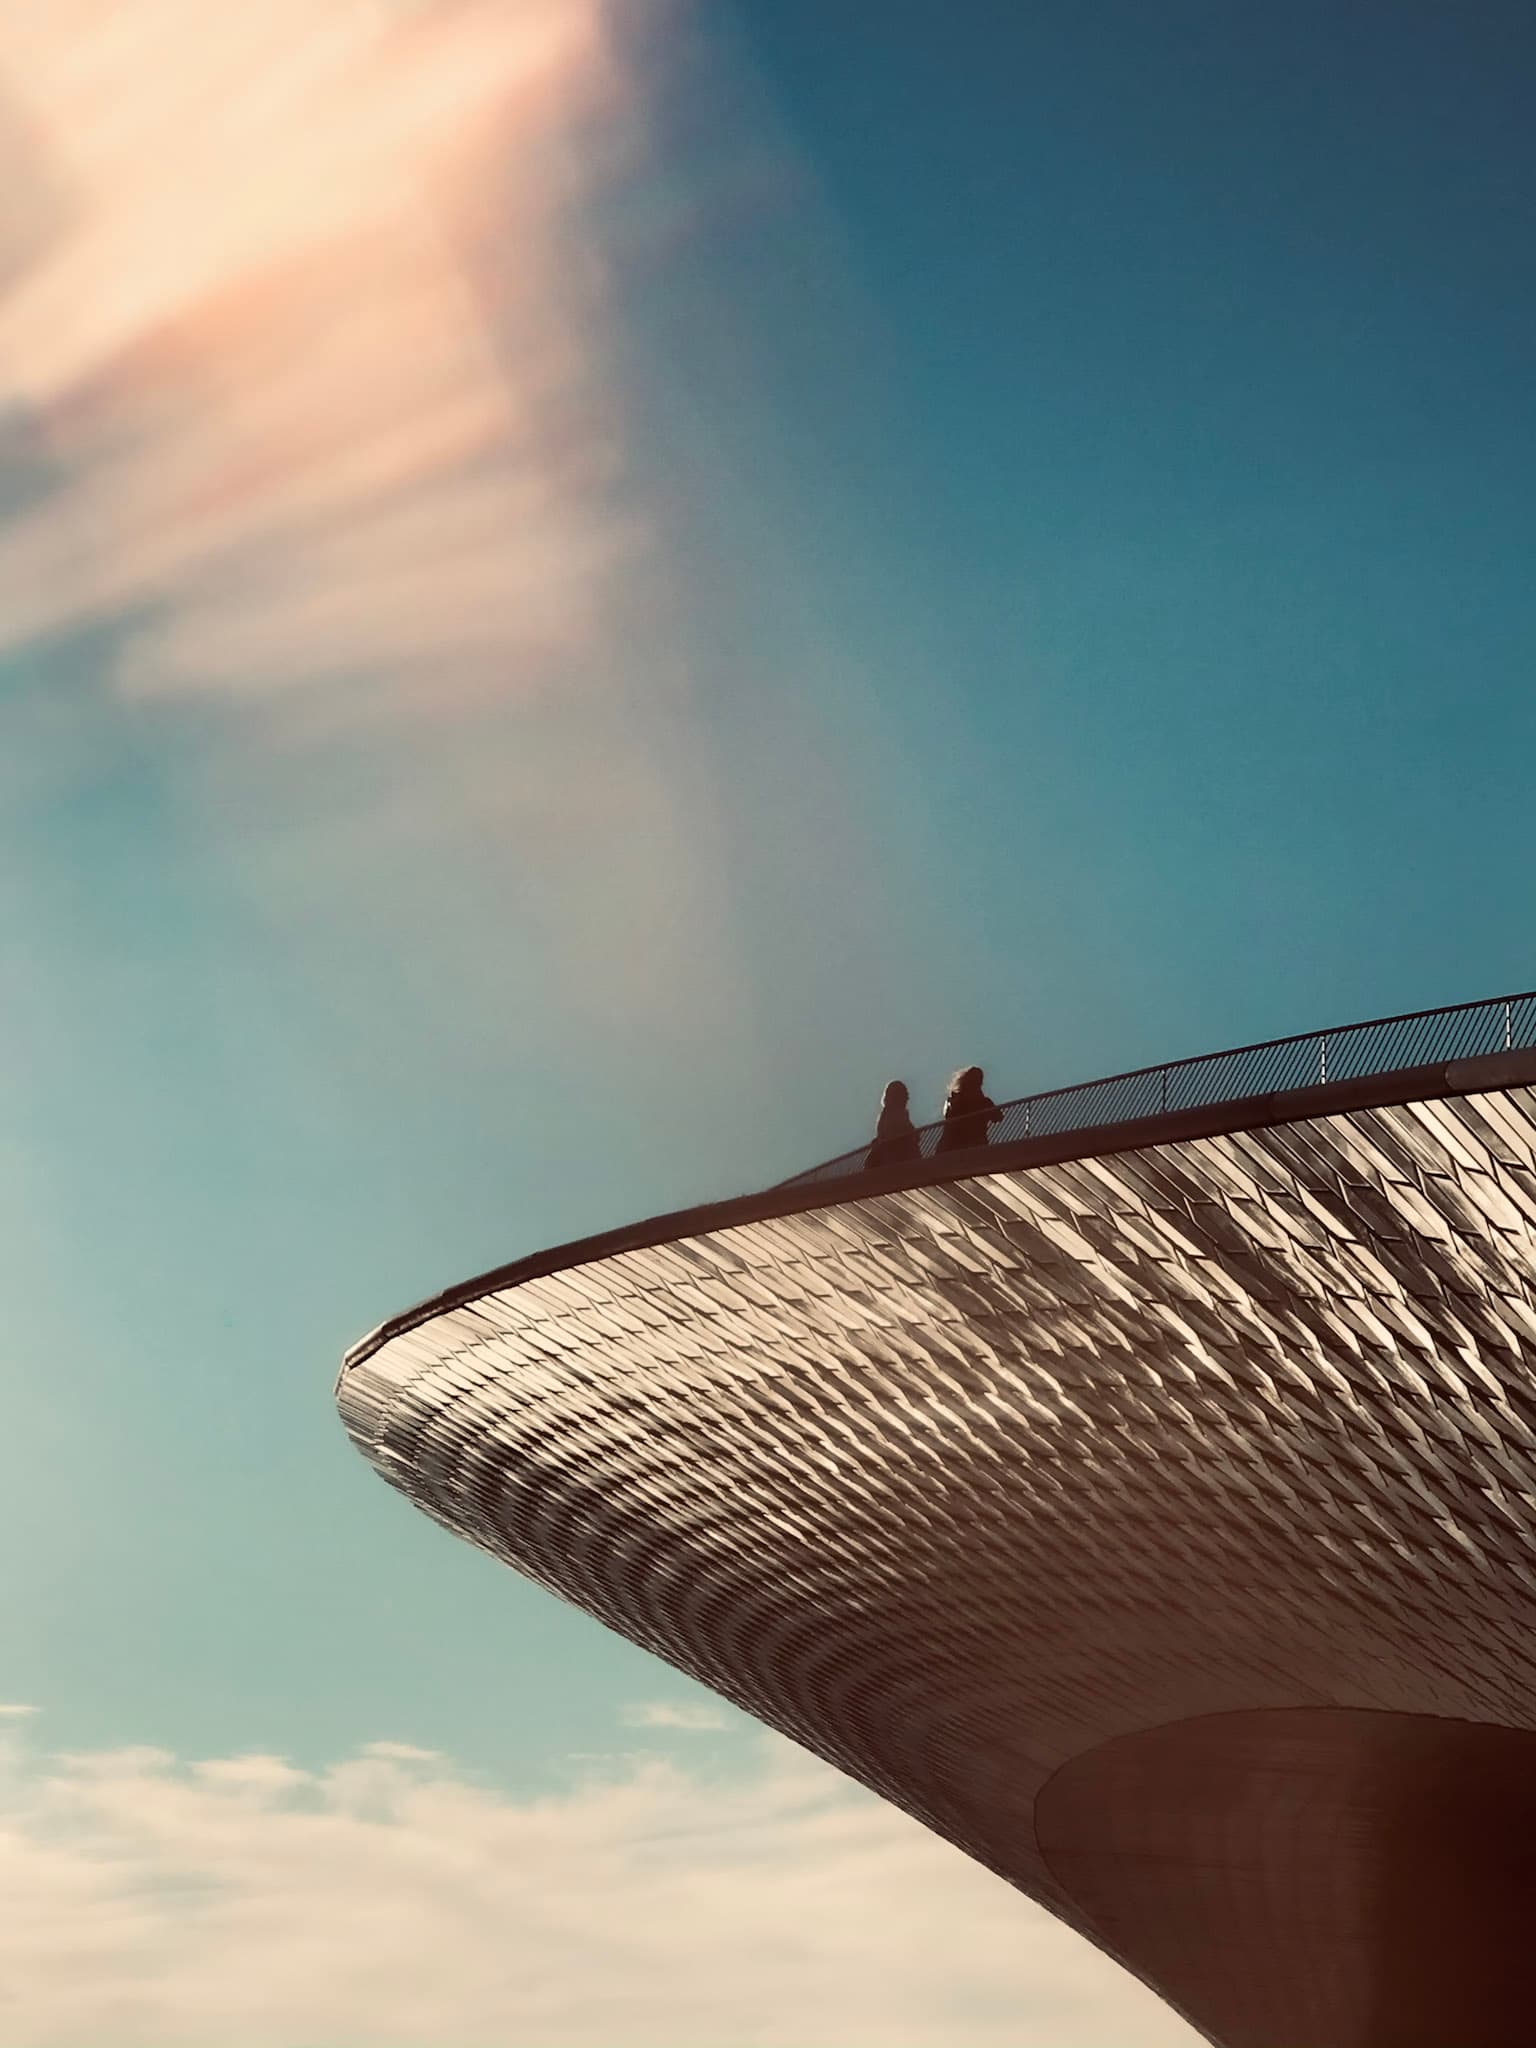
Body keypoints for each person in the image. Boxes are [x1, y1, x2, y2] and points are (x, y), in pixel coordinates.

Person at [936, 1065, 1003, 1154]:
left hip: (951, 1145)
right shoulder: (981, 1101)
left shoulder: (955, 1099)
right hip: (972, 1143)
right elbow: (998, 1117)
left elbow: (998, 1117)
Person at [865, 1079, 922, 1172]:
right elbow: (896, 1137)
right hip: (898, 1162)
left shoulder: (891, 1115)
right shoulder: (893, 1116)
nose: (907, 1098)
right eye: (904, 1095)